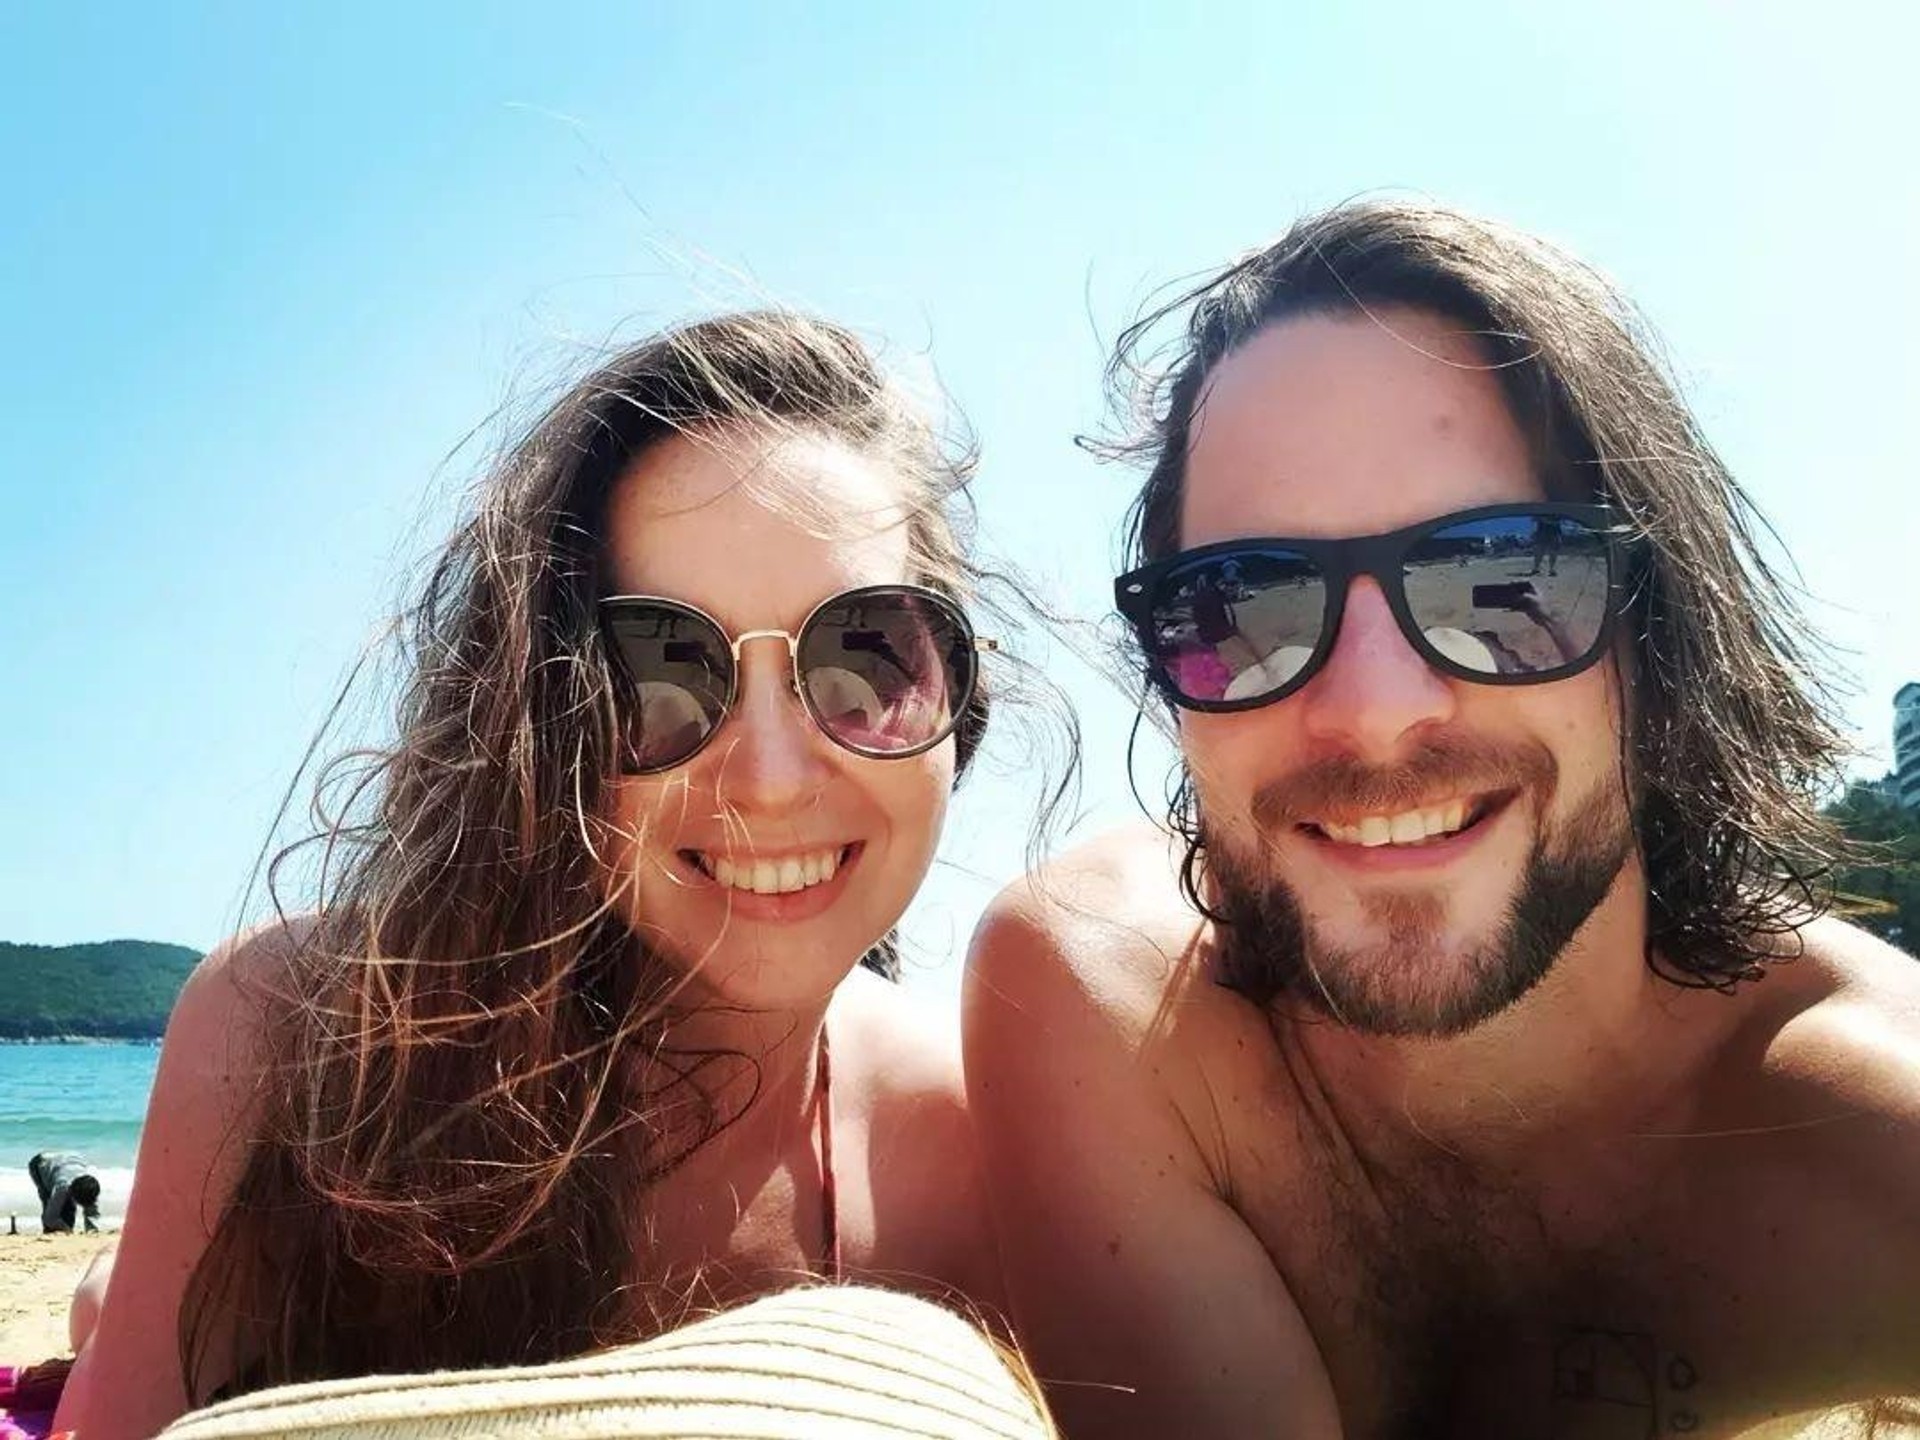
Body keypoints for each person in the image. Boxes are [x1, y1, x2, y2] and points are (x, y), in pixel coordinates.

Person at [965, 201, 1920, 1437]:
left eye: (1503, 576)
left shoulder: (1879, 1136)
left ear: (1662, 631)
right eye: (1245, 603)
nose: (1371, 712)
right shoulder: (1106, 1001)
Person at [58, 312, 1021, 1440]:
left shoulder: (972, 1140)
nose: (769, 780)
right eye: (651, 674)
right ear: (535, 721)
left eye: (866, 660)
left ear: (960, 693)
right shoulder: (294, 1034)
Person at [27, 1152, 100, 1235]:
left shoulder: (90, 1186)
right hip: (40, 1163)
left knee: (70, 1207)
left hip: (68, 1161)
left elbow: (92, 1210)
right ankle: (50, 1232)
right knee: (50, 1201)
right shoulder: (62, 1187)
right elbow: (49, 1218)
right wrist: (66, 1228)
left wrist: (92, 1230)